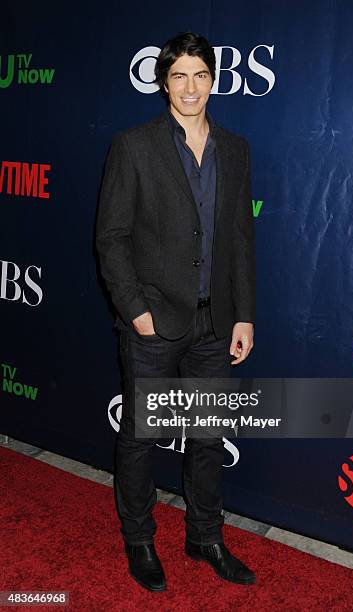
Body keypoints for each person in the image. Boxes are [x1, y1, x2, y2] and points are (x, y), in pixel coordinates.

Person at [96, 31, 256, 592]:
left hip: (217, 323)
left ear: (214, 80)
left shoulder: (235, 148)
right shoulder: (134, 145)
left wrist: (244, 314)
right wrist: (136, 310)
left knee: (209, 437)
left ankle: (204, 536)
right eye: (179, 75)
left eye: (201, 75)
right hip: (154, 325)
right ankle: (139, 538)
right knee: (141, 437)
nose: (191, 87)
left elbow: (239, 237)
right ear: (163, 82)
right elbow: (111, 238)